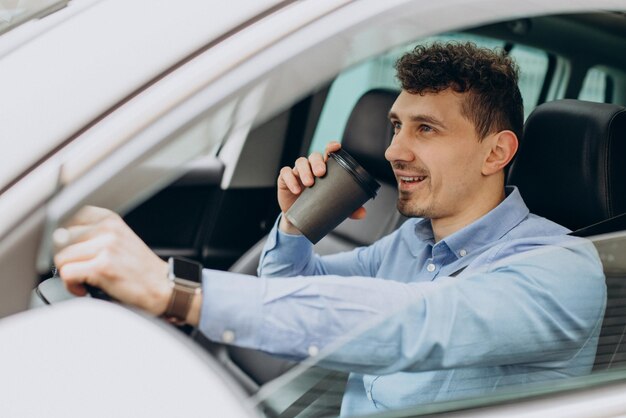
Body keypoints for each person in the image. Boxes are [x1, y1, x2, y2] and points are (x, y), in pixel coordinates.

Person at [54, 42, 606, 416]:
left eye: (426, 129)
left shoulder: (561, 269)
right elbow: (291, 288)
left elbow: (409, 323)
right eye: (395, 126)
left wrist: (176, 291)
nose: (393, 151)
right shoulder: (411, 242)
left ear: (497, 152)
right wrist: (294, 225)